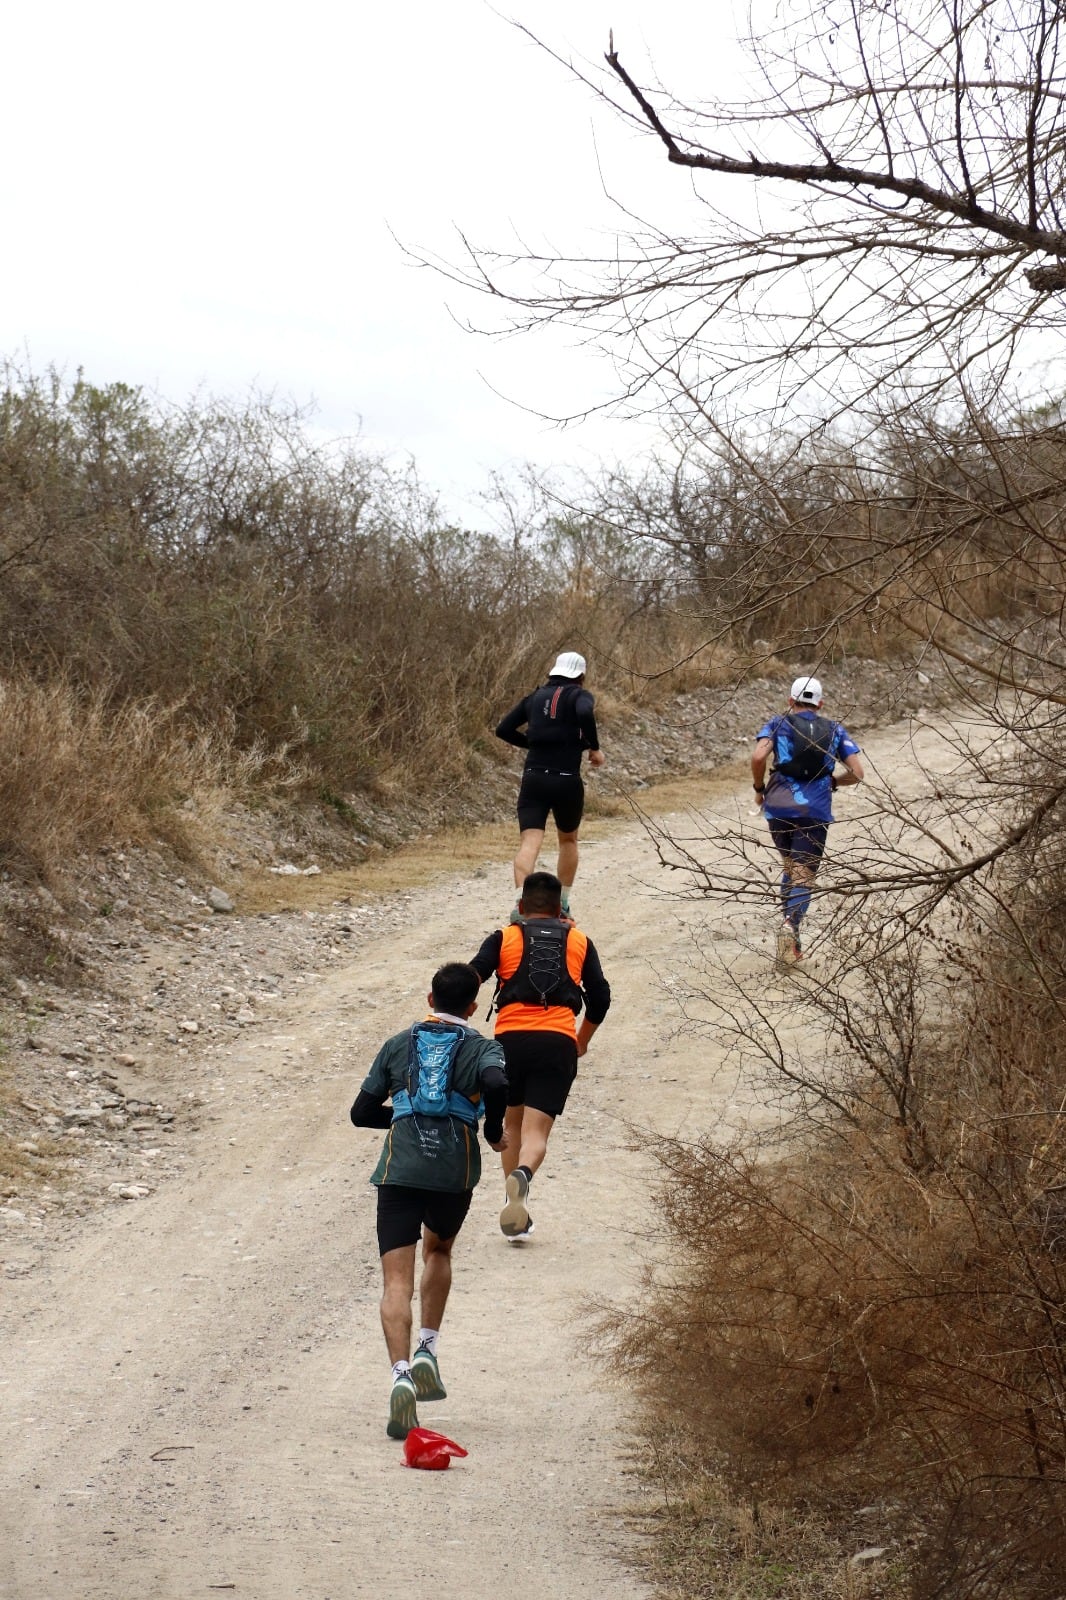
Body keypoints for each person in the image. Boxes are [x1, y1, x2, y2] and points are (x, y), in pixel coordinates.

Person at [350, 962, 509, 1441]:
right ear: (474, 1007)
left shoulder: (398, 1044)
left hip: (399, 1173)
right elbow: (498, 1085)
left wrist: (403, 1119)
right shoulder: (484, 1046)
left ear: (429, 1000)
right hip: (451, 1173)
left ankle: (400, 1376)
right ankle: (426, 1350)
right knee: (438, 1252)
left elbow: (360, 1114)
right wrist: (492, 1129)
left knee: (395, 1281)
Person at [468, 870, 611, 1241]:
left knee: (511, 1125)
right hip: (557, 1040)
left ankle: (513, 1208)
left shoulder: (505, 937)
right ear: (560, 909)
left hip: (509, 1041)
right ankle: (524, 1175)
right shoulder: (580, 940)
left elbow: (474, 975)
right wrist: (582, 1039)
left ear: (520, 907)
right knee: (536, 1131)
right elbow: (601, 996)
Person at [751, 675, 864, 962]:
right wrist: (834, 782)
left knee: (790, 867)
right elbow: (857, 773)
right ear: (820, 703)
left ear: (791, 701)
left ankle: (794, 942)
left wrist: (759, 788)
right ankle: (790, 926)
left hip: (777, 807)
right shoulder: (835, 730)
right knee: (804, 874)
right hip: (814, 810)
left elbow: (758, 757)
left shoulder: (777, 723)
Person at [495, 650, 605, 920]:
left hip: (534, 778)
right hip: (566, 780)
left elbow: (503, 729)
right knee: (568, 840)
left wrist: (532, 743)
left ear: (553, 671)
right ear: (581, 675)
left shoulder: (534, 697)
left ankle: (522, 904)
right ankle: (563, 904)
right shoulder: (580, 695)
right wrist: (593, 747)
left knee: (529, 843)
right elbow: (584, 711)